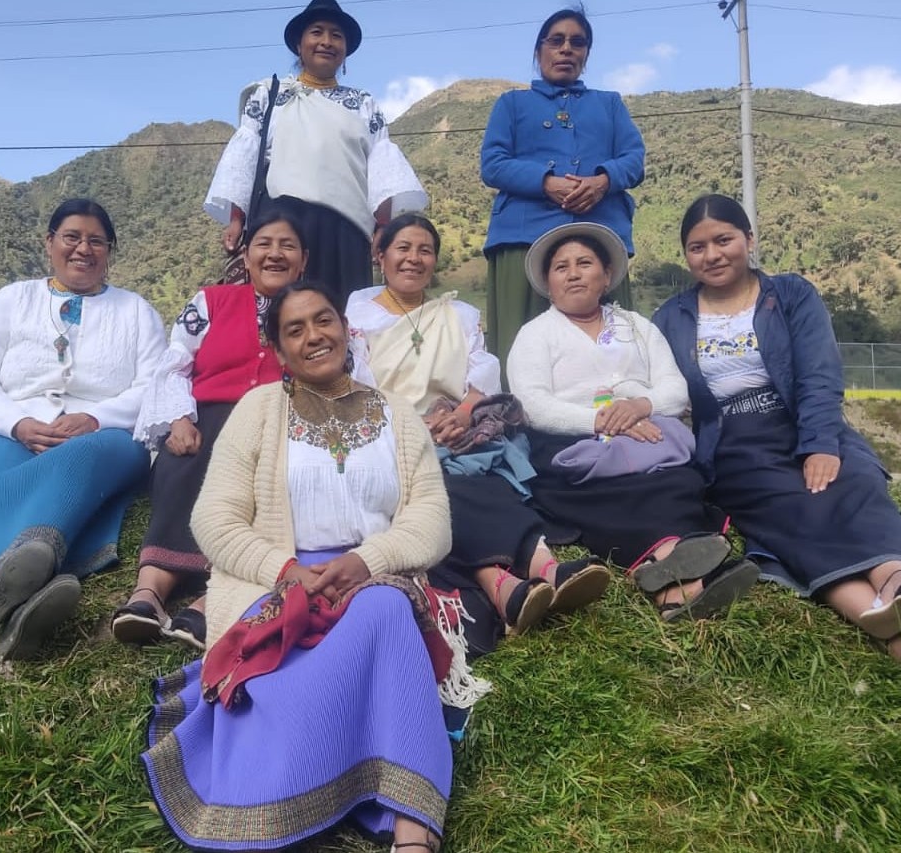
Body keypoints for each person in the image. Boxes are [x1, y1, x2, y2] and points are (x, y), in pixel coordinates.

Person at [142, 281, 481, 853]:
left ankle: (413, 830)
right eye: (293, 330)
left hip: (376, 576)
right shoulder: (258, 410)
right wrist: (285, 570)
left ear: (347, 330)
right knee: (286, 702)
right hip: (277, 591)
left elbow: (432, 523)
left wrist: (365, 560)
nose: (313, 336)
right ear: (278, 351)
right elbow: (214, 520)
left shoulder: (396, 415)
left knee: (384, 606)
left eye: (323, 320)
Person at [653, 194, 901, 670]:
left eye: (723, 240)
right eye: (697, 247)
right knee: (790, 510)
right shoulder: (671, 316)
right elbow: (661, 389)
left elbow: (819, 375)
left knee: (853, 482)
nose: (712, 254)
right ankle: (896, 630)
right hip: (735, 444)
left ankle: (899, 586)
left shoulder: (789, 294)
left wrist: (821, 444)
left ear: (749, 239)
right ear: (687, 255)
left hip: (804, 422)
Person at [0, 199, 167, 661]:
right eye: (72, 237)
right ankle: (27, 599)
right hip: (12, 430)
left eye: (96, 241)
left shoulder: (137, 311)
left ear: (110, 251)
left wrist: (97, 418)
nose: (84, 249)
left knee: (91, 454)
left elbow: (154, 383)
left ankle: (16, 567)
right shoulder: (11, 299)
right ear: (49, 243)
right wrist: (16, 423)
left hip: (106, 437)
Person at [348, 213, 612, 640]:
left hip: (460, 429)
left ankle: (540, 570)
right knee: (437, 487)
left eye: (425, 250)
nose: (414, 259)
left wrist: (464, 413)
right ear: (381, 255)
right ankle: (505, 579)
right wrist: (416, 427)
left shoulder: (458, 314)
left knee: (474, 477)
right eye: (403, 248)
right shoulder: (357, 316)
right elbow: (358, 386)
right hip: (390, 432)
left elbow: (482, 373)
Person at [509, 221, 758, 620]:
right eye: (561, 267)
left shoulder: (637, 328)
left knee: (673, 481)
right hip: (574, 452)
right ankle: (683, 578)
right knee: (621, 493)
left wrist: (641, 407)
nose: (574, 273)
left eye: (585, 263)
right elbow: (534, 405)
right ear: (547, 282)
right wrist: (606, 422)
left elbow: (675, 390)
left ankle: (671, 578)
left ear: (606, 276)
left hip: (647, 440)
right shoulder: (535, 335)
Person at [110, 207, 310, 651]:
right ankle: (150, 591)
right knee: (183, 464)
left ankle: (211, 596)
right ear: (246, 253)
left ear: (304, 260)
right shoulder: (211, 302)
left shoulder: (315, 311)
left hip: (277, 422)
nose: (274, 254)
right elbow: (174, 362)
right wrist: (179, 416)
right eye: (264, 244)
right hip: (205, 417)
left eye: (287, 245)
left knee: (266, 485)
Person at [205, 0, 426, 301]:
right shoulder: (268, 95)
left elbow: (381, 166)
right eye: (317, 32)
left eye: (336, 35)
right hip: (280, 223)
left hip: (345, 229)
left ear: (345, 48)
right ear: (299, 44)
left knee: (339, 310)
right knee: (277, 312)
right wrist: (236, 219)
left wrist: (382, 228)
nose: (326, 42)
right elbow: (245, 156)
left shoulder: (364, 103)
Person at [481, 5, 645, 380]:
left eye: (577, 42)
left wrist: (603, 180)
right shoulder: (512, 104)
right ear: (539, 50)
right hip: (523, 236)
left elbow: (634, 160)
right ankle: (518, 429)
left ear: (586, 55)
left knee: (612, 348)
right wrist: (545, 182)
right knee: (520, 349)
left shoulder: (610, 104)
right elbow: (493, 163)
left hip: (599, 231)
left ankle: (615, 422)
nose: (566, 49)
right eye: (556, 41)